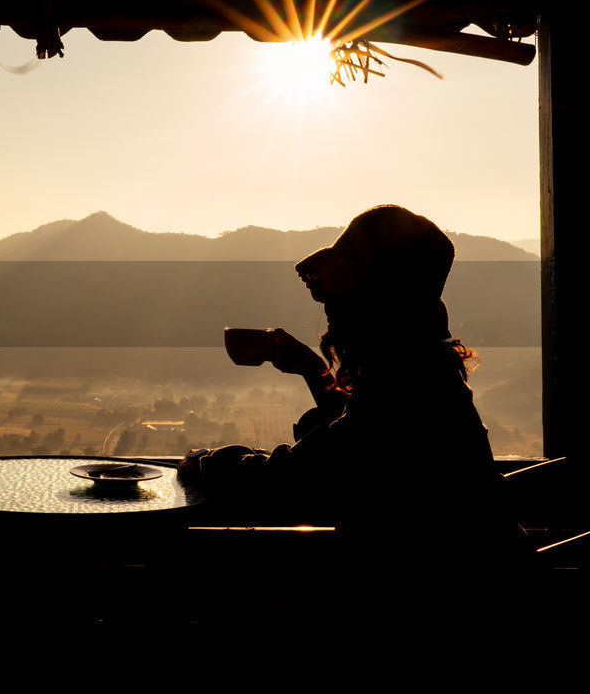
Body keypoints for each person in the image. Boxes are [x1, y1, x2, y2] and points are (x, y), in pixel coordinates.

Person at [180, 205, 526, 620]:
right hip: (478, 589)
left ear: (376, 301)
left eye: (339, 296)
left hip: (440, 606)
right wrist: (313, 370)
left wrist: (209, 464)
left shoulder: (406, 383)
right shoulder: (423, 369)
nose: (329, 309)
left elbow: (295, 480)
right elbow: (355, 443)